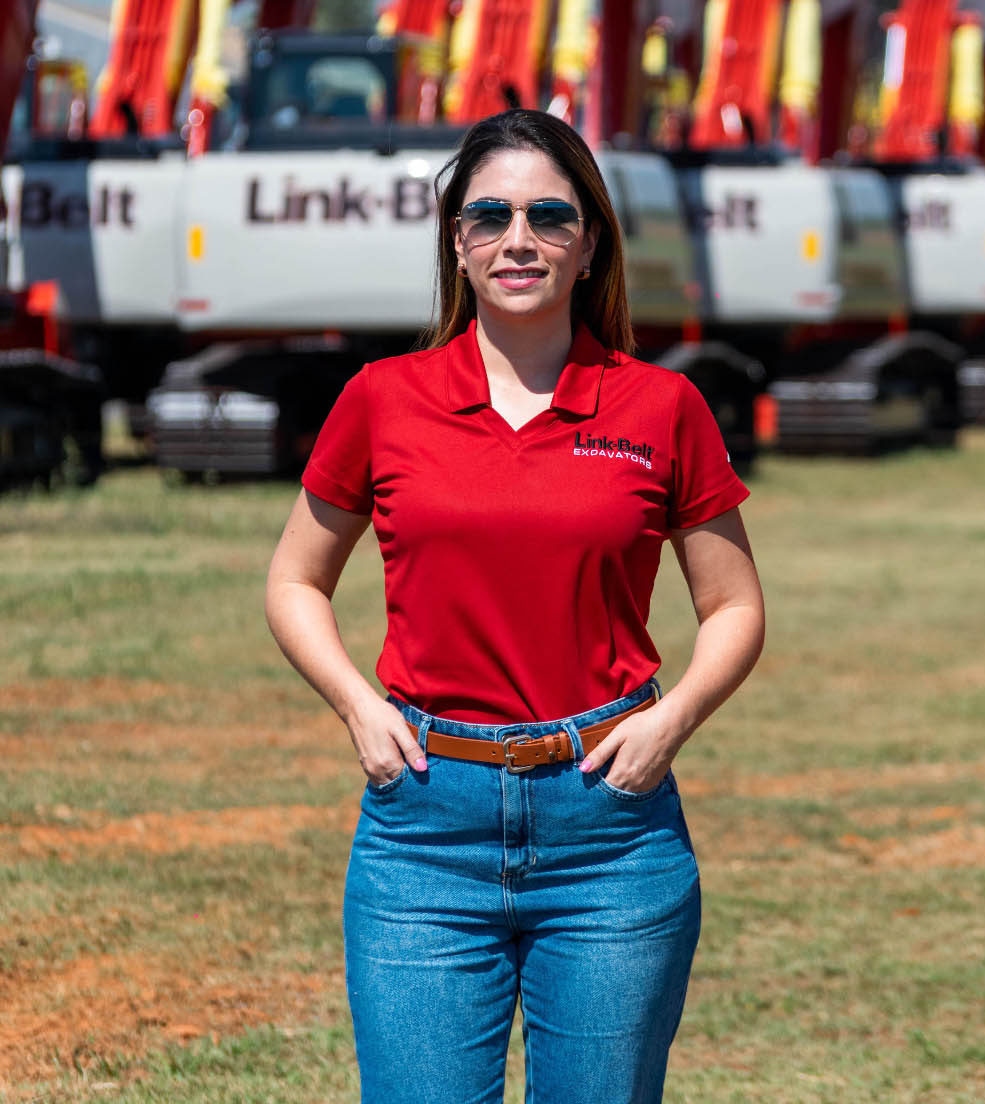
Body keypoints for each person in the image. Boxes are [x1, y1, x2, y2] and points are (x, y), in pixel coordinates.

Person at [265, 108, 765, 1104]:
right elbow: (294, 580)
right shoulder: (382, 397)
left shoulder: (659, 407)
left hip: (611, 830)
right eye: (488, 216)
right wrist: (360, 707)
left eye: (548, 216)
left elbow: (735, 606)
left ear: (588, 247)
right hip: (421, 833)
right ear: (457, 244)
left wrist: (669, 723)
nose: (518, 239)